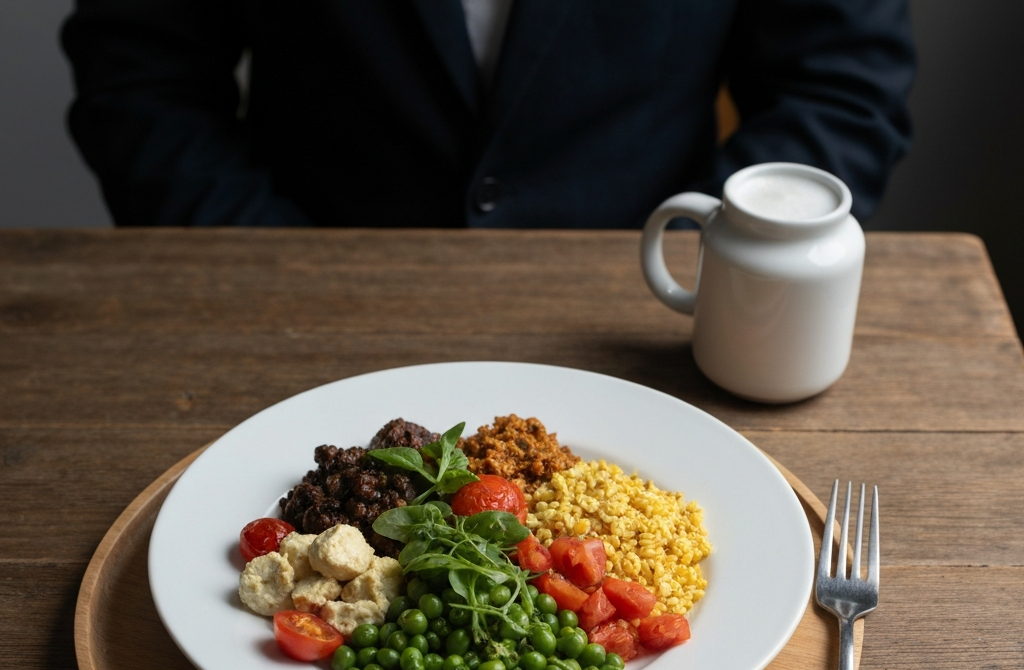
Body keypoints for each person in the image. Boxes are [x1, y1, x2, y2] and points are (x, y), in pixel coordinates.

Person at [61, 0, 914, 228]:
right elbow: (142, 77)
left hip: (651, 310)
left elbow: (840, 87)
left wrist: (712, 269)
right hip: (293, 279)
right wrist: (266, 268)